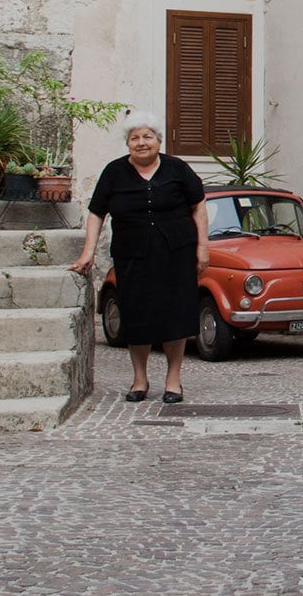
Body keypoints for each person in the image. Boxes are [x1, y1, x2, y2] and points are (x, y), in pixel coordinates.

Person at [69, 112, 209, 403]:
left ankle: (173, 380)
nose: (141, 143)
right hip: (132, 255)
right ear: (128, 143)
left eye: (147, 137)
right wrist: (88, 251)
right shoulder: (114, 172)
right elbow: (97, 212)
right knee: (137, 315)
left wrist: (202, 248)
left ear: (158, 141)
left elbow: (199, 206)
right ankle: (139, 379)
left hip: (176, 253)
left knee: (175, 315)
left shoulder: (177, 169)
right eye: (135, 138)